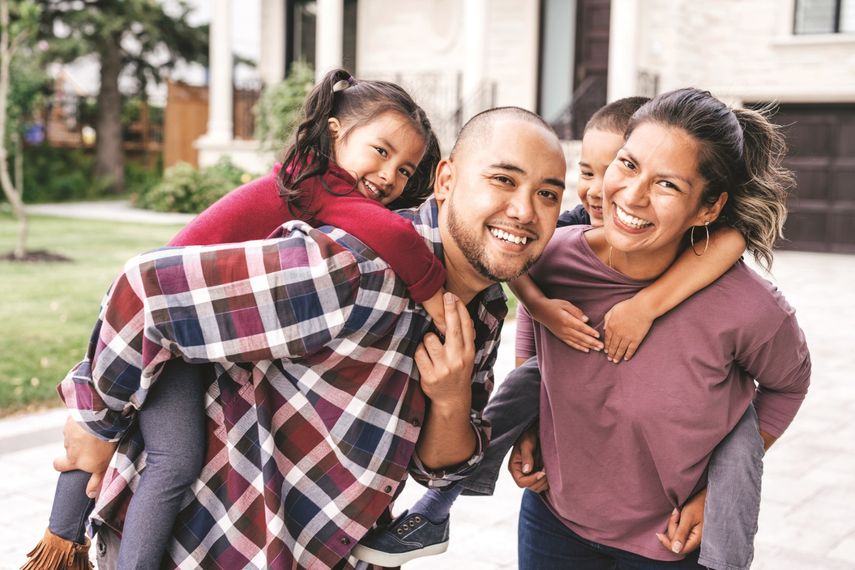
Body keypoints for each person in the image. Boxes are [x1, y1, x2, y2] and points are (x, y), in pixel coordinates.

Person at [44, 106, 569, 569]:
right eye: (503, 179)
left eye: (548, 194)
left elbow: (438, 472)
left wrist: (451, 401)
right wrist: (98, 420)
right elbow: (146, 291)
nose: (526, 211)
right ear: (447, 180)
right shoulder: (355, 267)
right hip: (198, 547)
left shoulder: (485, 310)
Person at [22, 67, 448, 569]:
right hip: (166, 332)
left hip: (186, 333)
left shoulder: (314, 180)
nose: (390, 176)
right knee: (171, 460)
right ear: (336, 131)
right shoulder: (318, 184)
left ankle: (62, 537)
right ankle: (66, 544)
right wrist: (441, 303)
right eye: (381, 151)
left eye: (404, 170)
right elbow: (396, 238)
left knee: (112, 429)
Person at [351, 96, 750, 567]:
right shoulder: (572, 232)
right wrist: (539, 317)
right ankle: (438, 507)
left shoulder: (683, 242)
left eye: (619, 171)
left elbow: (732, 240)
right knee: (525, 382)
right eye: (588, 173)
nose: (601, 191)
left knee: (740, 443)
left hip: (669, 430)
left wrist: (646, 306)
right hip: (568, 400)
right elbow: (519, 257)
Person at [510, 88, 810, 569]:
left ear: (708, 209)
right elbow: (531, 312)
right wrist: (530, 412)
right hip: (553, 520)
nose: (632, 196)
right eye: (627, 165)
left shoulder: (747, 306)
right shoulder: (555, 257)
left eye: (667, 185)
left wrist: (717, 491)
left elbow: (789, 386)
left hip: (666, 543)